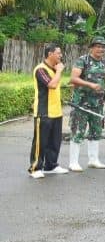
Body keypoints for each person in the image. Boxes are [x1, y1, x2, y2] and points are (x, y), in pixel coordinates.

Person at [69, 36, 105, 172]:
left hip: (98, 104)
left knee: (96, 131)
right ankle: (73, 162)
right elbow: (73, 79)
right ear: (92, 47)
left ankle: (93, 160)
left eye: (103, 47)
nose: (101, 49)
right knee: (78, 131)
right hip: (81, 104)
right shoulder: (83, 60)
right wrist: (90, 84)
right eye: (98, 46)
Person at [28, 43, 69, 178]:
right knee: (41, 141)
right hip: (43, 112)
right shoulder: (40, 69)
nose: (60, 56)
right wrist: (59, 71)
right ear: (50, 54)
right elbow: (51, 85)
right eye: (58, 53)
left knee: (54, 141)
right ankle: (35, 168)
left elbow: (56, 85)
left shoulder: (53, 69)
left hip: (56, 111)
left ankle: (51, 165)